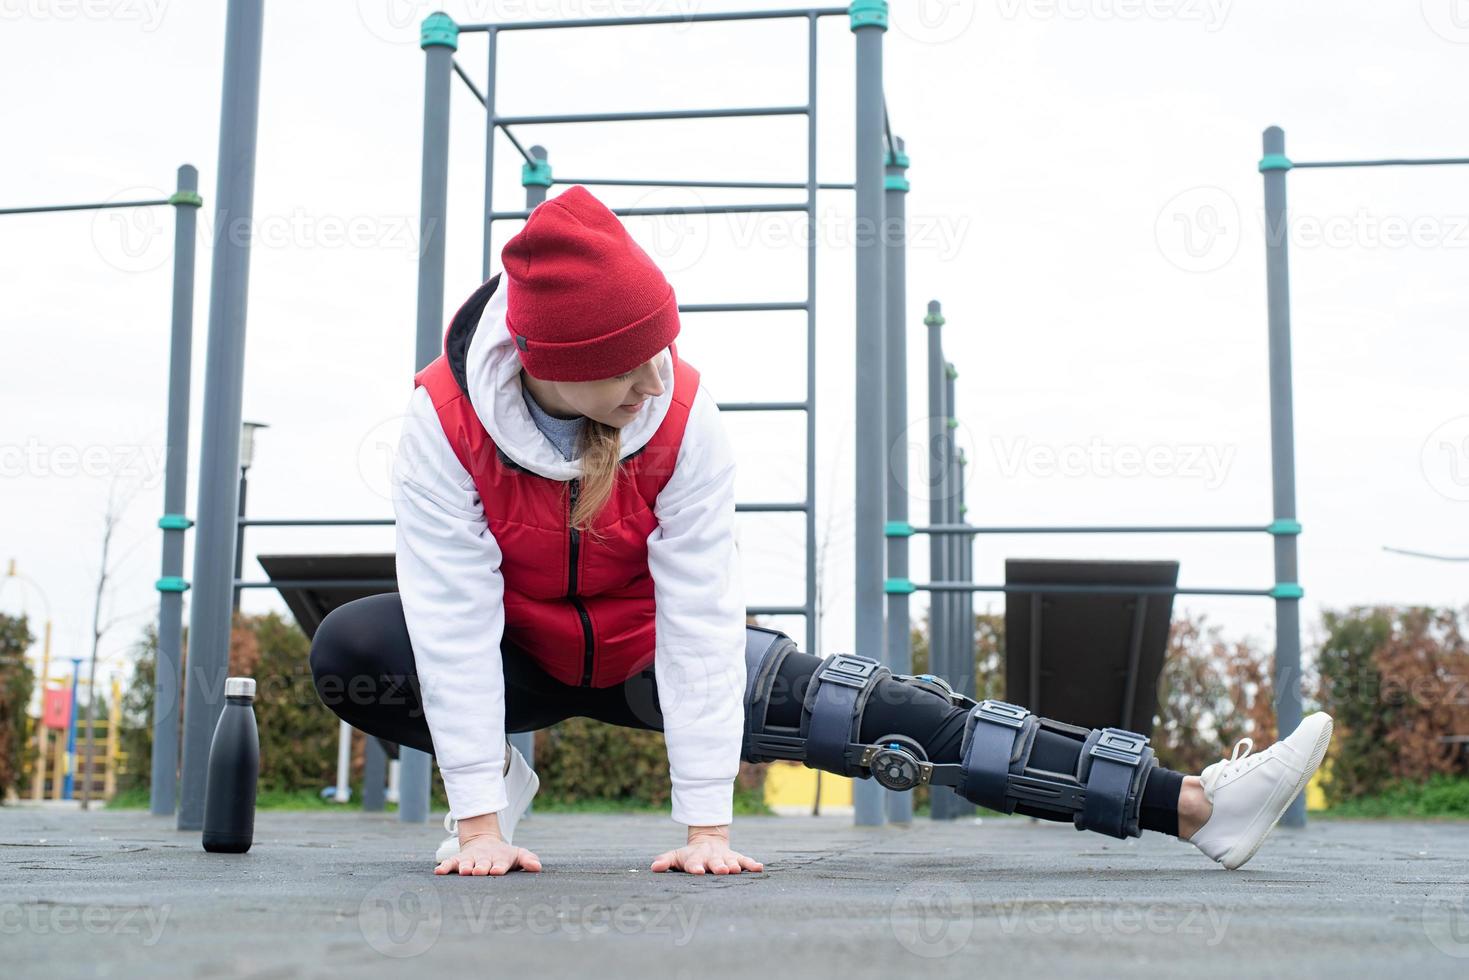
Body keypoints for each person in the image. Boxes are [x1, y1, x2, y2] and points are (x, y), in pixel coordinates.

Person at [309, 185, 1332, 878]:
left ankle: (1197, 803)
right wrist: (479, 818)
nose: (649, 381)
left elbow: (703, 617)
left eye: (657, 351)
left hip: (655, 654)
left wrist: (705, 825)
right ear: (544, 359)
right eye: (624, 364)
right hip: (515, 654)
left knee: (883, 713)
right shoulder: (441, 420)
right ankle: (498, 769)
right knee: (357, 645)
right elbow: (450, 615)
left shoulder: (680, 415)